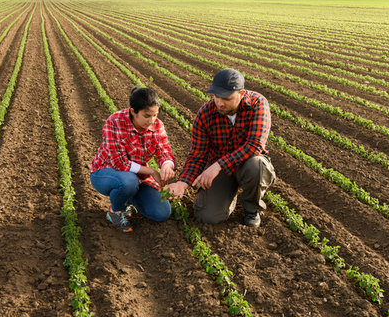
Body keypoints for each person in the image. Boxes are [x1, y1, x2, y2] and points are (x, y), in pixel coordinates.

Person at [165, 68, 275, 227]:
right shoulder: (205, 114)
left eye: (227, 98)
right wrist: (182, 183)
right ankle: (227, 194)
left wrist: (217, 165)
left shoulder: (257, 104)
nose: (220, 103)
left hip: (247, 162)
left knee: (257, 166)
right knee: (207, 216)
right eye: (216, 96)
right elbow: (197, 155)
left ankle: (252, 209)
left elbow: (254, 145)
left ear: (241, 93)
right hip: (222, 171)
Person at [89, 87, 176, 232]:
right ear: (133, 112)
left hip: (138, 177)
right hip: (106, 173)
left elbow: (163, 149)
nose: (152, 120)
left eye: (155, 115)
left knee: (161, 213)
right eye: (147, 115)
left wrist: (167, 165)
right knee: (128, 182)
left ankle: (130, 198)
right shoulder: (115, 122)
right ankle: (115, 212)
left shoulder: (157, 125)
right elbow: (119, 163)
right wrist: (151, 171)